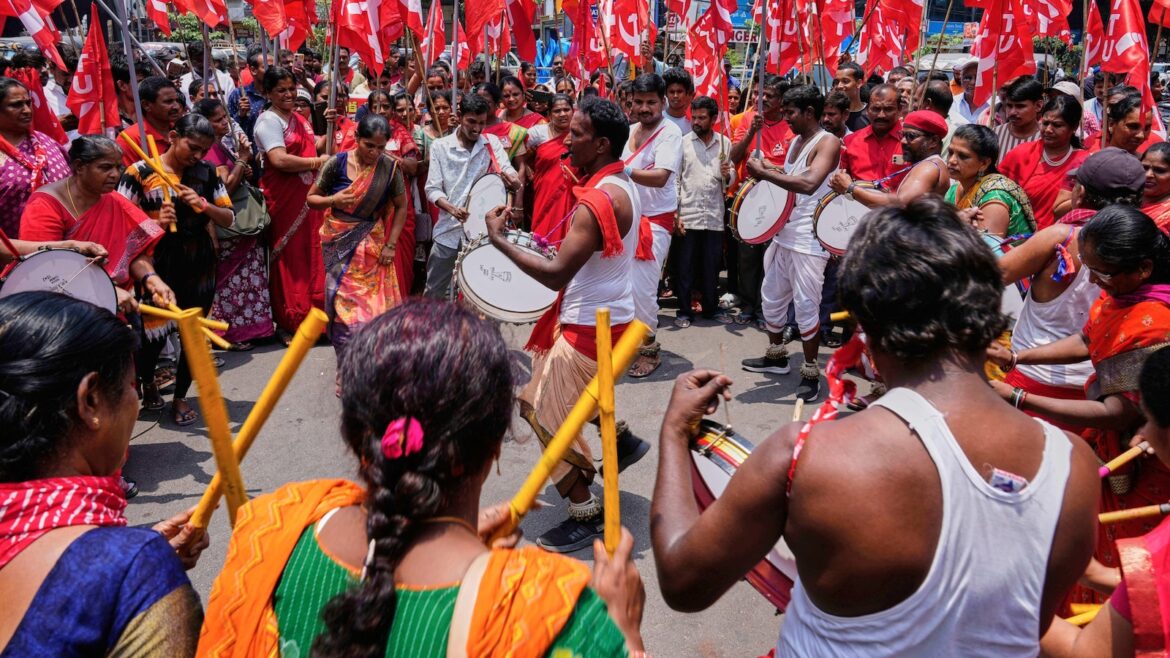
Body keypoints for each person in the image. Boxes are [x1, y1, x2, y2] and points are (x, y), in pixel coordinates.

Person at [652, 196, 1098, 656]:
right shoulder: (1074, 466)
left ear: (863, 320)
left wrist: (672, 432)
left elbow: (684, 583)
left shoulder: (808, 456)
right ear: (989, 305)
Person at [196, 299, 647, 657]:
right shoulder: (550, 612)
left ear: (356, 439)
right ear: (493, 449)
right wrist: (624, 635)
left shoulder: (273, 528)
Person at [0, 292, 209, 656]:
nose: (137, 400)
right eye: (131, 386)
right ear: (91, 401)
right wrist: (129, 568)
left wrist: (110, 557)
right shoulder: (136, 570)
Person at [486, 96, 650, 553]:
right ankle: (617, 438)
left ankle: (584, 511)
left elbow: (557, 272)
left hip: (588, 330)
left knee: (539, 412)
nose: (565, 143)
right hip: (603, 321)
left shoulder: (597, 200)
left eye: (575, 135)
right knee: (553, 404)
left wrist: (499, 242)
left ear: (600, 144)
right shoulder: (621, 181)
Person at [988, 206, 1170, 607]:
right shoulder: (1121, 296)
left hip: (1142, 461)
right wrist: (1019, 358)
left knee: (1127, 565)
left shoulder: (1153, 320)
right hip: (1110, 449)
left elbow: (1116, 414)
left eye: (1101, 272)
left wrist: (1019, 397)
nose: (1091, 280)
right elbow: (1088, 341)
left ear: (1142, 269)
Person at [1039, 346, 1170, 657]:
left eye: (1146, 420)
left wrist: (1007, 597)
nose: (1144, 434)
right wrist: (1092, 573)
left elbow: (1085, 651)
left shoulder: (1160, 553)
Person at [117, 113, 235, 426]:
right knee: (153, 335)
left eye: (203, 151)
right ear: (172, 136)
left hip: (198, 263)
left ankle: (181, 395)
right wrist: (154, 222)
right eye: (191, 147)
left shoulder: (207, 172)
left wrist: (204, 206)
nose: (196, 156)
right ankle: (150, 382)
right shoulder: (139, 172)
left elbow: (228, 218)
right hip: (155, 264)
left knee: (194, 335)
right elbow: (118, 223)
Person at [741, 85, 842, 402]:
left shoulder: (829, 142)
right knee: (770, 298)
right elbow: (792, 176)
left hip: (809, 240)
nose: (785, 118)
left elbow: (810, 183)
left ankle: (811, 372)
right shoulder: (797, 141)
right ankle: (777, 356)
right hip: (784, 234)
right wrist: (770, 169)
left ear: (809, 113)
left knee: (807, 308)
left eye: (790, 112)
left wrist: (767, 175)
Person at [18, 136, 170, 318]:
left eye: (118, 167)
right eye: (105, 167)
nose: (115, 174)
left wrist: (151, 279)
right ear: (79, 166)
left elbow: (135, 250)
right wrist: (104, 290)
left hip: (113, 308)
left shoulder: (113, 199)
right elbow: (43, 270)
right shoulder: (45, 204)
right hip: (60, 315)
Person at [307, 114, 408, 355]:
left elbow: (402, 205)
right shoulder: (336, 163)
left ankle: (369, 371)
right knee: (345, 313)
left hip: (373, 249)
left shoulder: (389, 168)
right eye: (369, 145)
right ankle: (346, 368)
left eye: (381, 147)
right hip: (339, 245)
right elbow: (311, 199)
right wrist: (334, 199)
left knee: (373, 315)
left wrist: (391, 245)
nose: (375, 152)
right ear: (356, 138)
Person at [254, 66, 329, 345]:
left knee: (313, 254)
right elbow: (280, 160)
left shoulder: (298, 117)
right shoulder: (268, 121)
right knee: (291, 258)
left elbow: (312, 143)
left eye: (291, 89)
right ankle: (291, 321)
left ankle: (317, 319)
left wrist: (330, 124)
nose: (287, 95)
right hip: (285, 200)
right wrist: (317, 162)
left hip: (309, 197)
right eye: (280, 90)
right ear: (267, 93)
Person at [193, 98, 275, 349]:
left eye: (225, 116)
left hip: (240, 226)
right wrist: (241, 160)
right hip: (228, 227)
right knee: (232, 284)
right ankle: (232, 334)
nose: (225, 123)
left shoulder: (221, 145)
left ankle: (253, 329)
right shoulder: (209, 150)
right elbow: (223, 190)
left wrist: (243, 166)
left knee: (248, 280)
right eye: (218, 120)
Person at [422, 93, 518, 299]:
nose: (476, 128)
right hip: (448, 232)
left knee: (481, 295)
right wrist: (451, 209)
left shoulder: (491, 143)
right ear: (460, 116)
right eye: (471, 122)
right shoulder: (440, 147)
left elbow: (509, 172)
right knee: (433, 294)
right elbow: (432, 188)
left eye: (481, 123)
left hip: (483, 235)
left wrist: (514, 181)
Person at [623, 73, 684, 378]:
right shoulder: (629, 130)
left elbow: (661, 176)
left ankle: (649, 349)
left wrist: (622, 169)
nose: (644, 108)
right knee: (619, 284)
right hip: (625, 219)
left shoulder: (670, 133)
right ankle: (625, 341)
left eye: (651, 102)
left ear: (663, 102)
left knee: (642, 290)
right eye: (639, 102)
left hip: (655, 224)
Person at [729, 76, 793, 327]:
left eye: (768, 95)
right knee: (748, 256)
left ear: (781, 101)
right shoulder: (747, 118)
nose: (761, 99)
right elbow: (734, 156)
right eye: (757, 93)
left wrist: (768, 168)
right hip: (750, 197)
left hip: (780, 200)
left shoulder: (790, 126)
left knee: (771, 259)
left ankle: (765, 308)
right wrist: (752, 132)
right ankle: (747, 305)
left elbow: (793, 169)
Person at [675, 95, 733, 328]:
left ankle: (711, 308)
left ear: (713, 118)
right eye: (694, 117)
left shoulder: (724, 144)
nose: (696, 122)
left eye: (701, 118)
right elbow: (676, 180)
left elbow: (727, 181)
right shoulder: (683, 143)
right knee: (685, 266)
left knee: (711, 265)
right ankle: (684, 311)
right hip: (688, 214)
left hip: (713, 215)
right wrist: (676, 214)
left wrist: (728, 174)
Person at [999, 95, 1088, 229]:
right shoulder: (1021, 153)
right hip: (1015, 234)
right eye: (1045, 123)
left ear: (1074, 127)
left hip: (1057, 238)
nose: (1048, 130)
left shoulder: (1083, 162)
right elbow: (998, 193)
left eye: (1057, 125)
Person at [829, 109, 950, 206]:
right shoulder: (927, 165)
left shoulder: (928, 168)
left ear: (933, 141)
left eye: (911, 136)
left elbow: (902, 203)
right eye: (902, 135)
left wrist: (850, 188)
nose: (902, 141)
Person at [0, 77, 70, 237]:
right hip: (15, 255)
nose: (26, 110)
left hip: (69, 251)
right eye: (16, 105)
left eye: (28, 103)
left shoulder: (47, 142)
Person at [945, 124, 1036, 237]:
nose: (952, 160)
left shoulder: (995, 196)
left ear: (984, 163)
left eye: (963, 156)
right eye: (950, 152)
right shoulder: (955, 189)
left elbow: (986, 251)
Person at [527, 93, 576, 245]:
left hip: (571, 191)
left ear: (573, 111)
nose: (562, 114)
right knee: (542, 232)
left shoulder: (580, 132)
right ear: (549, 114)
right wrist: (528, 170)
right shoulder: (537, 133)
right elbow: (518, 153)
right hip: (545, 191)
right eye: (557, 111)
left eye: (566, 110)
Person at [836, 84, 905, 189]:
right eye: (876, 109)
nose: (881, 115)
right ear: (867, 109)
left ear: (899, 110)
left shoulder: (911, 142)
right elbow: (841, 179)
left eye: (888, 109)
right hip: (858, 202)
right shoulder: (850, 141)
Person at [117, 76, 183, 167]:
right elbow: (130, 176)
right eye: (168, 102)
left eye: (177, 101)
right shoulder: (131, 139)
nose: (176, 106)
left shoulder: (183, 131)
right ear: (146, 105)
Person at [475, 82, 530, 163]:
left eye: (486, 102)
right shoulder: (468, 127)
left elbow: (521, 166)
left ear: (497, 104)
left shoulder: (512, 131)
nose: (481, 105)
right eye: (478, 101)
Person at [994, 76, 1044, 162]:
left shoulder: (1046, 138)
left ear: (1038, 106)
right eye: (1009, 106)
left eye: (1020, 106)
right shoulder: (995, 134)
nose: (1012, 112)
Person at [948, 59, 988, 127]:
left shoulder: (995, 105)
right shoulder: (952, 103)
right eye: (968, 78)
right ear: (961, 79)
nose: (973, 82)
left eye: (978, 77)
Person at [1141, 142, 1170, 232]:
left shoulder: (1167, 217)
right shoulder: (1127, 196)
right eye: (1144, 167)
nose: (1148, 174)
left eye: (1160, 170)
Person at [832, 62, 870, 131]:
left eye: (845, 81)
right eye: (837, 82)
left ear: (859, 83)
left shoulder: (871, 114)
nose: (839, 86)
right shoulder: (830, 114)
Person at [662, 67, 694, 134]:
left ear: (687, 93)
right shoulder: (658, 120)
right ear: (666, 93)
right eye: (672, 92)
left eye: (679, 91)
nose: (675, 96)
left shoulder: (694, 122)